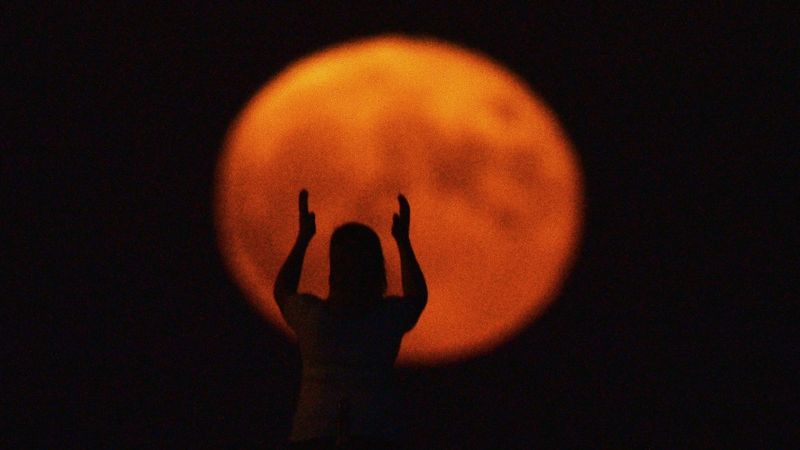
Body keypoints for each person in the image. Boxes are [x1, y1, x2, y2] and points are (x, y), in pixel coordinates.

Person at [274, 190, 427, 449]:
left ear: (334, 270)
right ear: (377, 269)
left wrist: (303, 239)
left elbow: (282, 291)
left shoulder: (312, 319)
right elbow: (417, 298)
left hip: (313, 435)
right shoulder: (386, 320)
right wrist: (403, 241)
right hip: (377, 434)